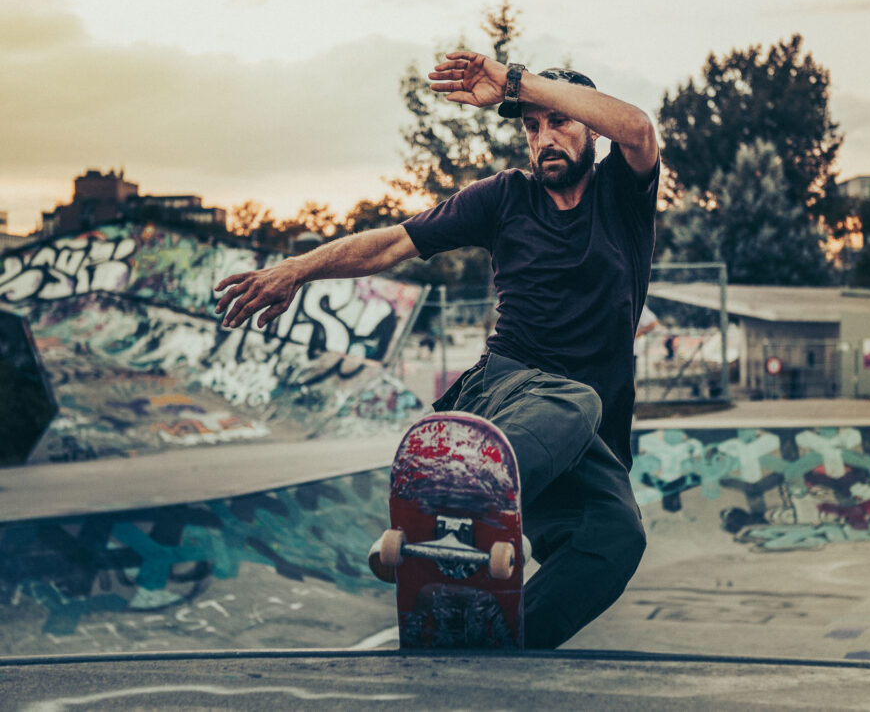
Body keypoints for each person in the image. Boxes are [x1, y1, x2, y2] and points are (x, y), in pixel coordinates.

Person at [214, 50, 660, 649]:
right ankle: (454, 493)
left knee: (616, 537)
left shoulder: (621, 197)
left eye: (559, 123)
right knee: (572, 399)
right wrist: (299, 269)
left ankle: (497, 636)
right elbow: (390, 244)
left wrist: (520, 85)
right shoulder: (504, 198)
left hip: (579, 432)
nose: (544, 139)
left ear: (590, 131)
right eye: (532, 128)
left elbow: (638, 129)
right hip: (505, 395)